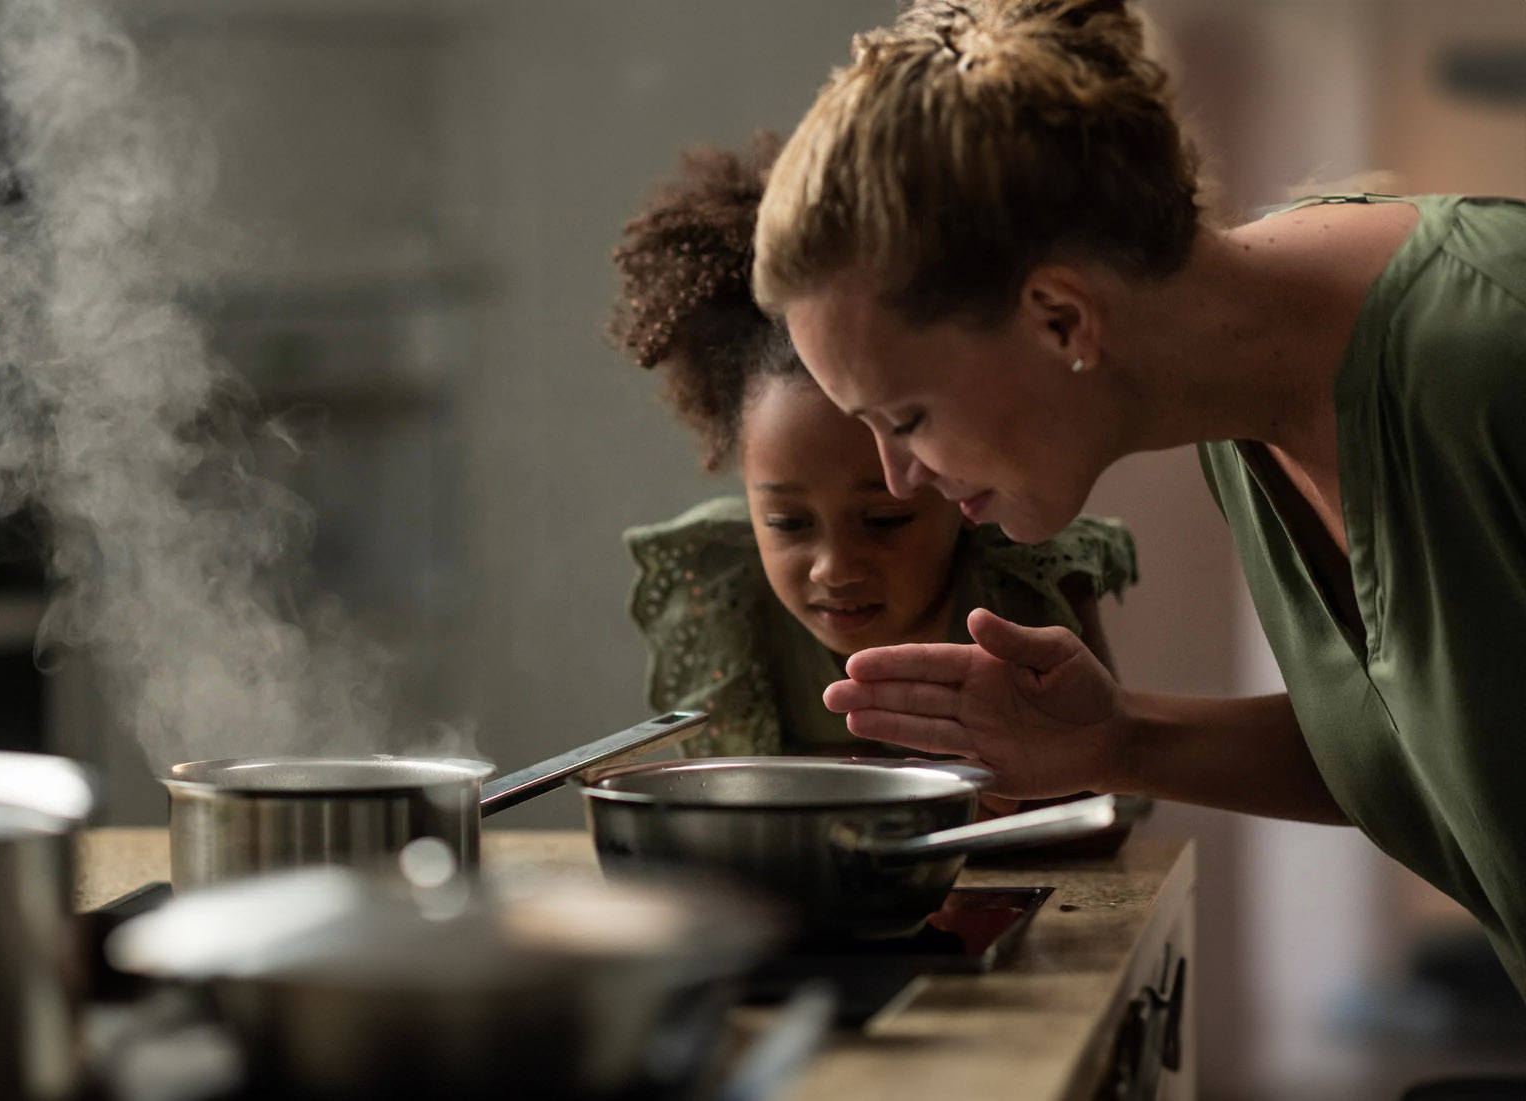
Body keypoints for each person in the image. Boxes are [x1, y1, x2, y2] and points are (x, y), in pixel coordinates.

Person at [752, 0, 1526, 995]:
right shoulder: (1241, 412)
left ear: (1059, 316)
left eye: (903, 417)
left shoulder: (1491, 354)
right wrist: (1117, 740)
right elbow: (1448, 748)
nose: (899, 475)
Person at [606, 134, 1136, 771]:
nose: (833, 567)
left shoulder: (1028, 580)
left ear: (955, 484)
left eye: (884, 520)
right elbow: (724, 791)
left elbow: (1112, 784)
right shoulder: (721, 586)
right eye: (787, 523)